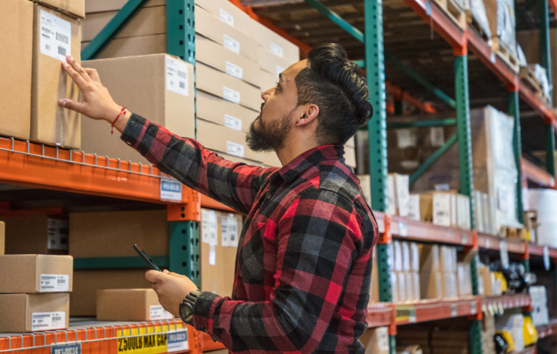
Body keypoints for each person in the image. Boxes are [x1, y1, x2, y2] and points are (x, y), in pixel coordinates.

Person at [59, 43, 379, 353]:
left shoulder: (320, 202)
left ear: (305, 115)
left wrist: (192, 304)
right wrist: (116, 115)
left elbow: (292, 328)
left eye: (280, 88)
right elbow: (206, 168)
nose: (266, 94)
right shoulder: (286, 186)